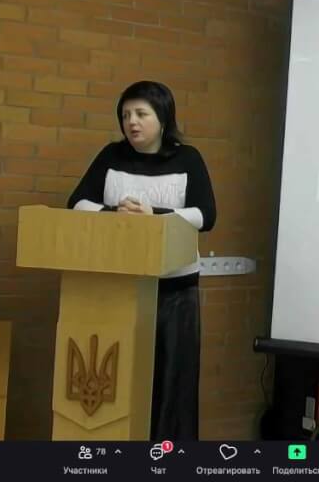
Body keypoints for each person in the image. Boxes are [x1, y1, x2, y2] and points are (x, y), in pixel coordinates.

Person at [67, 80, 216, 440]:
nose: (131, 122)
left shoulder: (188, 158)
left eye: (141, 114)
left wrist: (154, 214)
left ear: (163, 118)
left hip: (174, 292)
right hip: (117, 289)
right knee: (117, 379)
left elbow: (206, 215)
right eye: (125, 115)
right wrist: (114, 213)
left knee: (170, 384)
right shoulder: (111, 156)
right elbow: (76, 203)